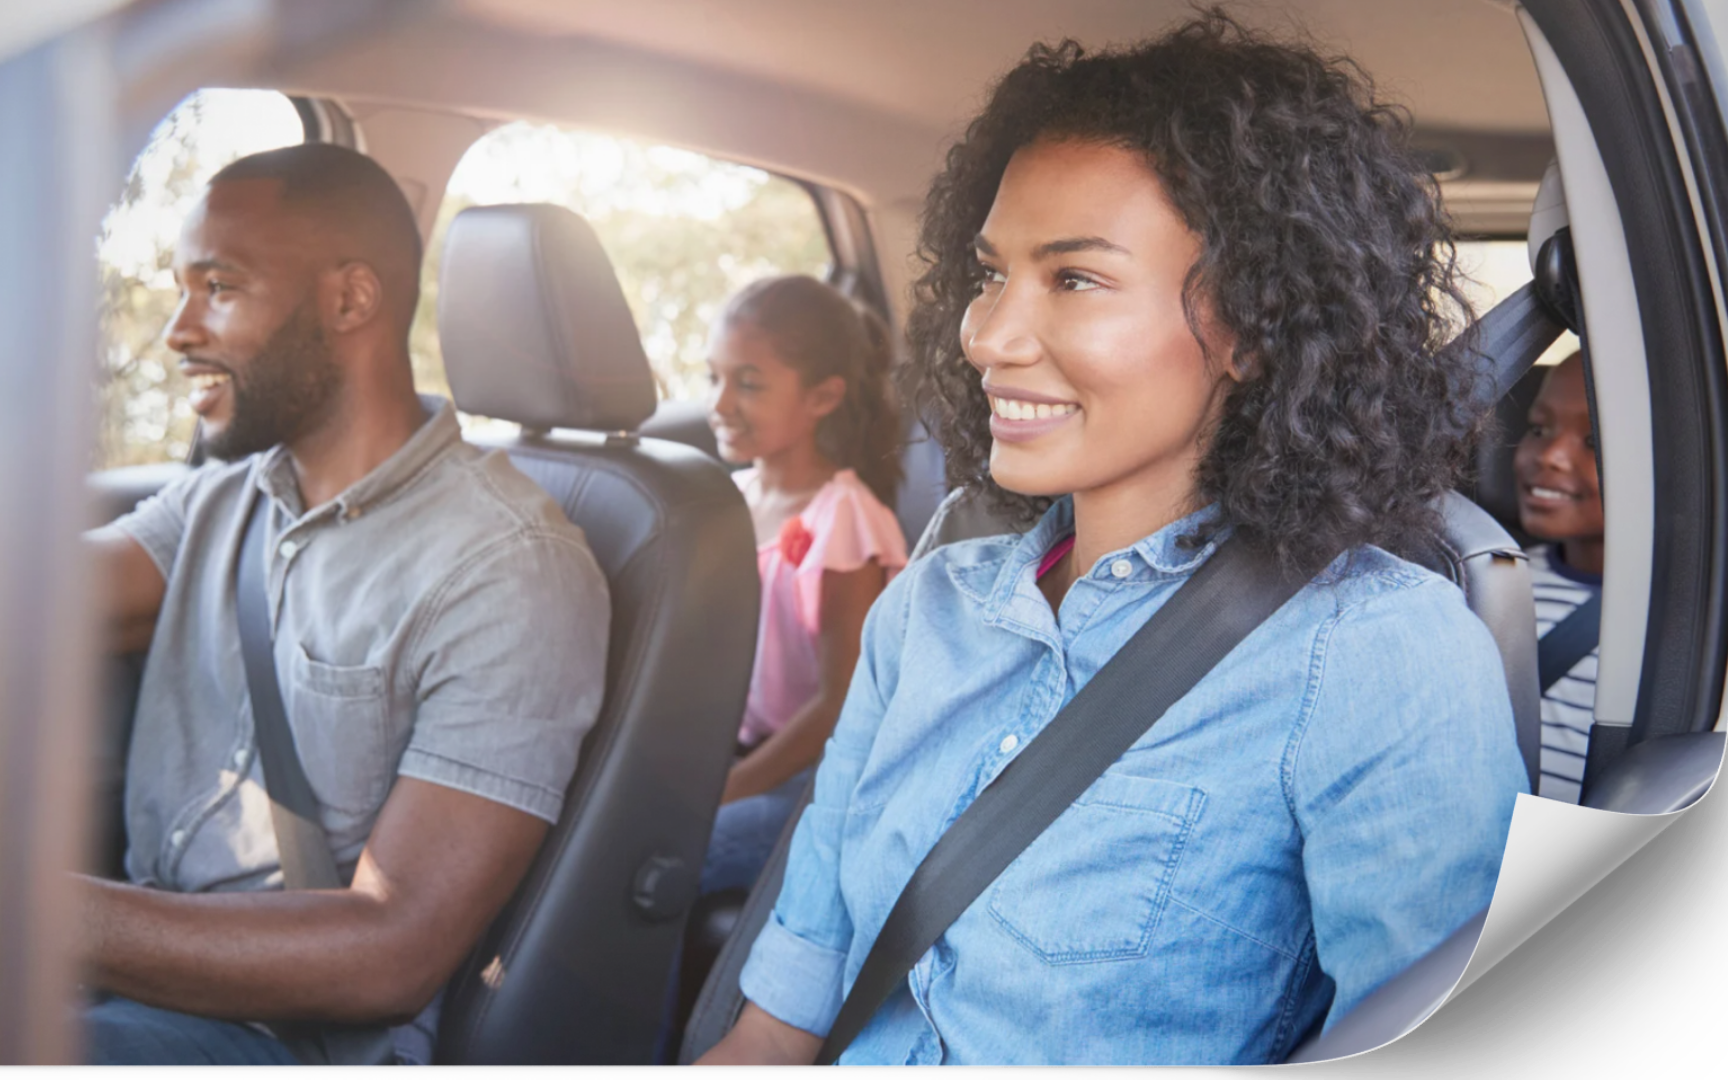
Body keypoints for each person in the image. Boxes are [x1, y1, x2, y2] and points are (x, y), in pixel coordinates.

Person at [697, 12, 1528, 1067]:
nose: (988, 334)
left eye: (1075, 277)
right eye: (991, 272)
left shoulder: (1374, 653)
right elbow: (781, 1020)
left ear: (1256, 328)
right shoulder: (930, 606)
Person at [78, 144, 611, 1065]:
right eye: (180, 287)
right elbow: (15, 608)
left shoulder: (509, 567)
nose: (176, 330)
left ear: (350, 301)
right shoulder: (224, 498)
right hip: (141, 982)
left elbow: (389, 950)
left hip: (288, 1042)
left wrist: (31, 911)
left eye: (219, 286)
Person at [698, 275, 911, 896]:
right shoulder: (729, 499)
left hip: (811, 779)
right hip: (737, 752)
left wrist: (727, 790)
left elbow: (838, 702)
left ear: (822, 398)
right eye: (714, 377)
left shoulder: (843, 518)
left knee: (668, 849)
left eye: (749, 383)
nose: (719, 402)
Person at [1513, 354, 1604, 803]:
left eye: (1594, 440)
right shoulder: (1496, 582)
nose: (1549, 455)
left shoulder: (1699, 623)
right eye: (1538, 429)